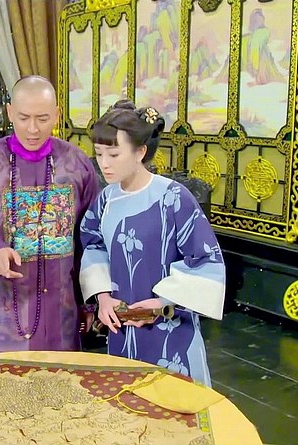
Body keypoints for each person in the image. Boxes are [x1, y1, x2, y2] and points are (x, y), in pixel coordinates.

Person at [0, 75, 100, 356]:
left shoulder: (77, 165)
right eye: (24, 118)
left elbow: (91, 238)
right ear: (10, 112)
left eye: (43, 118)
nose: (33, 129)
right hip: (0, 313)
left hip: (60, 310)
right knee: (2, 380)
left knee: (60, 379)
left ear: (57, 115)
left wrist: (89, 302)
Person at [79, 100, 225, 386]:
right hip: (121, 324)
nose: (104, 163)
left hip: (169, 324)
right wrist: (103, 297)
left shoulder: (173, 197)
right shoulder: (106, 199)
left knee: (174, 399)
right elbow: (94, 245)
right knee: (127, 395)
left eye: (114, 154)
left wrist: (161, 303)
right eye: (99, 153)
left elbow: (207, 260)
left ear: (140, 152)